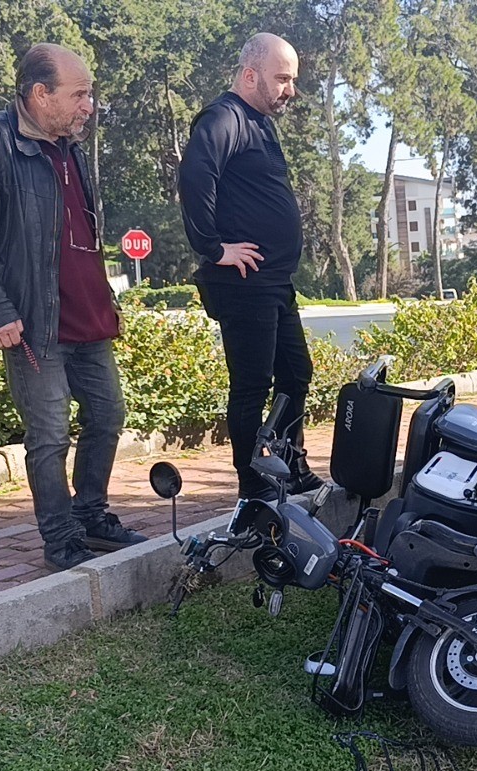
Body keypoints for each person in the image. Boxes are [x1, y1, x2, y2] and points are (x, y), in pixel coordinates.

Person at [0, 43, 145, 571]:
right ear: (39, 93)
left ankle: (91, 516)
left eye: (90, 95)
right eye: (79, 95)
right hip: (33, 321)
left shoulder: (70, 148)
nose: (89, 106)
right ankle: (61, 539)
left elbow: (79, 237)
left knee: (107, 417)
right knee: (50, 434)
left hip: (87, 318)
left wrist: (105, 301)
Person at [179, 33, 322, 501]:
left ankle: (288, 465)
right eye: (282, 79)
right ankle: (253, 483)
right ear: (249, 75)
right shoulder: (225, 117)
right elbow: (195, 175)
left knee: (296, 374)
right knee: (252, 386)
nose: (290, 90)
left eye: (292, 80)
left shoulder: (259, 124)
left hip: (274, 282)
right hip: (243, 283)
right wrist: (213, 247)